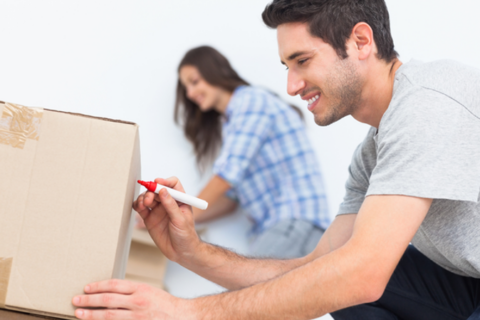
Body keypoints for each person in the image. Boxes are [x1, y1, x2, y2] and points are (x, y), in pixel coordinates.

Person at [71, 0, 480, 319]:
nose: (290, 86)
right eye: (286, 66)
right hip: (468, 286)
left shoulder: (427, 102)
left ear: (360, 41)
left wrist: (185, 311)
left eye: (301, 61)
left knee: (351, 277)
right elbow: (317, 267)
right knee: (329, 276)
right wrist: (190, 251)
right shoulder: (372, 155)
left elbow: (363, 274)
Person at [172, 45, 330, 258]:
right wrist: (174, 218)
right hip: (287, 226)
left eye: (194, 81)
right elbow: (229, 201)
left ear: (214, 71)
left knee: (248, 289)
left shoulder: (251, 102)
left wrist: (182, 215)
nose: (190, 93)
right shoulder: (233, 124)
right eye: (186, 88)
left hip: (295, 220)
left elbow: (226, 174)